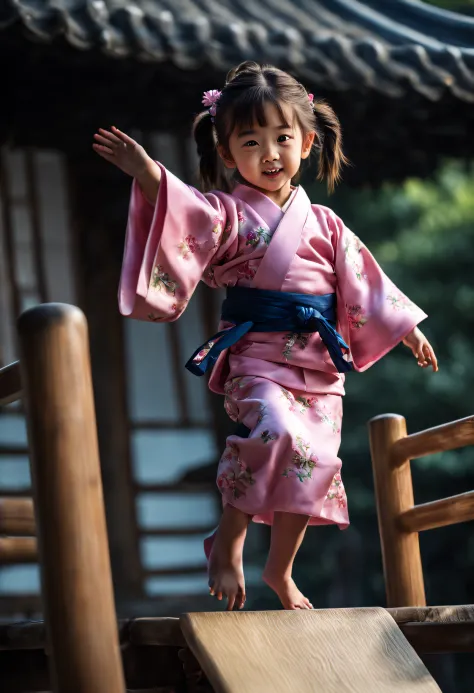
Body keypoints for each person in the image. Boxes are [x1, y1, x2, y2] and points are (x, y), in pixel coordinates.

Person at [93, 61, 438, 613]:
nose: (270, 153)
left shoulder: (326, 223)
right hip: (257, 359)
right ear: (227, 154)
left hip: (318, 365)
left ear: (306, 142)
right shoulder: (228, 213)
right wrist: (147, 173)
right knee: (276, 433)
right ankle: (227, 542)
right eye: (251, 142)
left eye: (282, 138)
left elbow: (366, 284)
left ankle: (279, 569)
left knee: (316, 461)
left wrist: (406, 330)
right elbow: (188, 212)